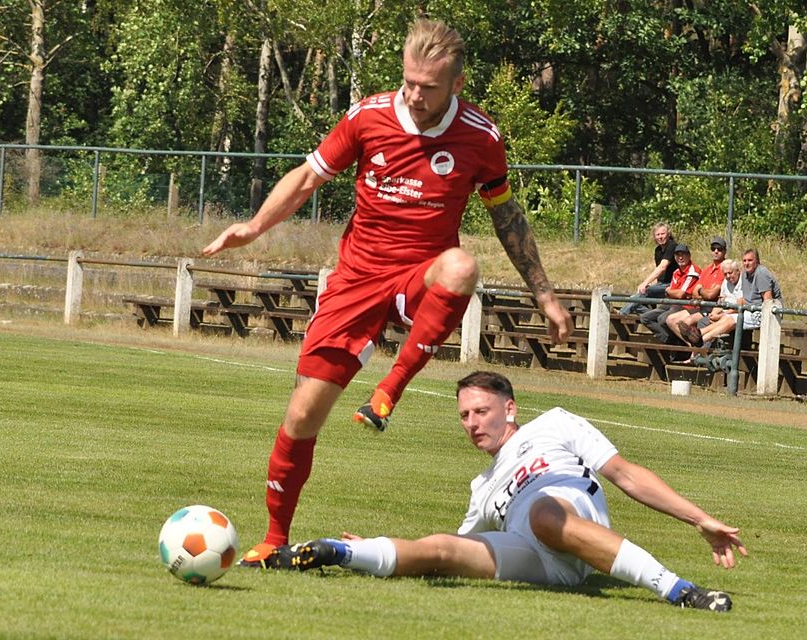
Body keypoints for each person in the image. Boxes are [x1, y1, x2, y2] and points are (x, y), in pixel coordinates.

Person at [202, 18, 573, 566]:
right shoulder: (368, 117)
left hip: (419, 280)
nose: (415, 94)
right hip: (356, 282)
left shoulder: (480, 136)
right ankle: (274, 539)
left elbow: (506, 215)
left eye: (429, 86)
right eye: (409, 81)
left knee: (461, 265)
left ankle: (390, 391)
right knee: (303, 415)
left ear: (457, 84)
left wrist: (543, 293)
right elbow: (307, 178)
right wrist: (255, 226)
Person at [266, 371, 745, 613]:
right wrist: (370, 544)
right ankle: (336, 552)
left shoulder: (556, 424)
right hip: (541, 560)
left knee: (540, 511)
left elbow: (626, 474)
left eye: (481, 411)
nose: (473, 423)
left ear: (510, 408)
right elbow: (449, 550)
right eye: (464, 416)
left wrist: (698, 518)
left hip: (573, 526)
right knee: (441, 549)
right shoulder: (482, 487)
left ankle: (683, 592)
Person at [665, 236, 726, 346]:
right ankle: (692, 347)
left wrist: (701, 291)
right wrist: (704, 292)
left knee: (686, 322)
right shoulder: (707, 269)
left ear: (725, 251)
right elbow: (694, 292)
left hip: (712, 308)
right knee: (670, 320)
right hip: (701, 306)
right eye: (713, 248)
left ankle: (696, 349)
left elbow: (711, 295)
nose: (716, 251)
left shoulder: (725, 269)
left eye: (719, 249)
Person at [638, 244, 700, 347]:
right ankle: (670, 340)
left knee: (663, 318)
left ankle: (685, 344)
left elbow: (680, 294)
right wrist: (671, 292)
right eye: (677, 255)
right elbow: (671, 293)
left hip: (686, 305)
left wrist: (670, 291)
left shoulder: (693, 271)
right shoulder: (676, 272)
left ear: (689, 256)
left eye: (683, 254)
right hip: (673, 303)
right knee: (645, 317)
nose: (680, 257)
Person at [680, 259, 741, 348]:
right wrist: (713, 313)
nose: (728, 276)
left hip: (732, 314)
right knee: (703, 321)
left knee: (712, 322)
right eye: (725, 274)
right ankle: (698, 351)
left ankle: (701, 349)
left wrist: (721, 315)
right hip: (723, 312)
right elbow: (721, 301)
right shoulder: (725, 282)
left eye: (730, 273)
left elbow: (739, 305)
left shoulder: (742, 283)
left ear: (737, 271)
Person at [619, 222, 677, 315]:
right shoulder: (658, 250)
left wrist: (645, 283)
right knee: (635, 298)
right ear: (654, 237)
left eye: (663, 234)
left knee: (643, 293)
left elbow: (662, 267)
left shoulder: (672, 246)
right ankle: (653, 315)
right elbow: (659, 272)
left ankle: (621, 313)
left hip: (672, 284)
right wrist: (650, 284)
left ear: (668, 234)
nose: (660, 237)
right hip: (661, 284)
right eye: (657, 235)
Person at [738, 248, 783, 330]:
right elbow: (746, 299)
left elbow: (768, 301)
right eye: (744, 261)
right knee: (723, 318)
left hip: (763, 314)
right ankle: (706, 338)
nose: (747, 263)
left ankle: (706, 338)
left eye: (750, 260)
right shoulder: (744, 274)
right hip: (749, 311)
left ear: (757, 261)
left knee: (730, 320)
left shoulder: (761, 273)